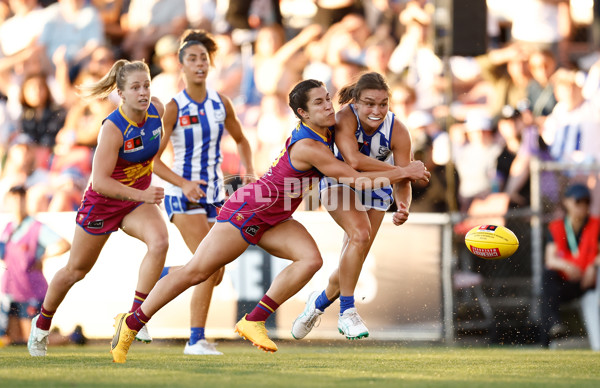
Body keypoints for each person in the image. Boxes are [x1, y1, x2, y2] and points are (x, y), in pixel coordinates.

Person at [110, 79, 430, 363]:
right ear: (303, 114)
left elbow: (355, 147)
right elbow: (355, 178)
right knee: (198, 271)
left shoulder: (328, 128)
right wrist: (404, 171)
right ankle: (133, 322)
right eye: (319, 102)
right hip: (249, 210)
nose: (328, 105)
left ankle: (254, 320)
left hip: (276, 215)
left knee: (310, 260)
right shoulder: (309, 145)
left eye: (328, 98)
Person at [27, 59, 168, 357]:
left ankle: (135, 318)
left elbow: (153, 147)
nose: (143, 93)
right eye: (135, 87)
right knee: (75, 271)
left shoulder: (158, 109)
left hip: (134, 200)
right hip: (102, 204)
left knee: (160, 242)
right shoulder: (113, 129)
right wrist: (143, 194)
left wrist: (153, 179)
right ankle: (41, 326)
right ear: (121, 93)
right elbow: (101, 182)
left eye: (146, 85)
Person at [152, 29, 256, 355]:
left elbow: (241, 139)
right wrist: (183, 184)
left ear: (210, 65)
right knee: (207, 267)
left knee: (216, 271)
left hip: (214, 195)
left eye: (204, 59)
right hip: (182, 195)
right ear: (181, 66)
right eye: (192, 59)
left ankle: (158, 277)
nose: (199, 64)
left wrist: (248, 174)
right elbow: (152, 160)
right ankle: (195, 339)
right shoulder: (173, 107)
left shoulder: (220, 103)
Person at [290, 72, 415, 341]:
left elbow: (405, 180)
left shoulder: (399, 130)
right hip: (339, 181)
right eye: (369, 103)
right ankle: (347, 312)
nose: (377, 110)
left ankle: (317, 305)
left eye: (383, 104)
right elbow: (354, 161)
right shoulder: (345, 117)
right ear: (355, 103)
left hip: (379, 187)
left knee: (353, 261)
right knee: (360, 233)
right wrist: (403, 170)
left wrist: (403, 204)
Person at [0, 185, 71, 346]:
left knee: (31, 339)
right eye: (13, 201)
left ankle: (73, 337)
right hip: (11, 291)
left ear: (26, 202)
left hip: (31, 290)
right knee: (12, 339)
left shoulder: (36, 227)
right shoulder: (8, 229)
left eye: (20, 201)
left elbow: (64, 244)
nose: (17, 205)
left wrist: (43, 258)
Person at [539, 183, 600, 348]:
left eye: (586, 202)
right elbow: (550, 259)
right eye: (578, 201)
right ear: (567, 202)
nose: (582, 206)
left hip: (589, 282)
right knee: (548, 278)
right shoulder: (557, 227)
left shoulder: (596, 224)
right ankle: (553, 328)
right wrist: (566, 266)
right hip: (567, 281)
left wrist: (593, 266)